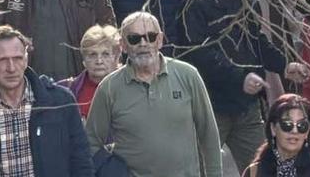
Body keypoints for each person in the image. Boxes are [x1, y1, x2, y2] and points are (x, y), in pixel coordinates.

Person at [178, 0, 306, 174]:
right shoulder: (199, 1)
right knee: (202, 171)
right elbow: (199, 55)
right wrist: (240, 77)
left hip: (247, 107)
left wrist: (285, 65)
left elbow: (257, 40)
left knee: (263, 169)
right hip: (211, 107)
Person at [83, 12, 222, 176]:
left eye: (150, 36)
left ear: (160, 40)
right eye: (134, 38)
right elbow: (91, 142)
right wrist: (111, 171)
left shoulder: (188, 75)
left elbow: (208, 134)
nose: (143, 43)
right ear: (123, 45)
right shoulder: (109, 88)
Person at [0, 27, 94, 177]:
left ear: (26, 59)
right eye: (2, 60)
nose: (11, 68)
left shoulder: (60, 102)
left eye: (17, 58)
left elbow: (81, 161)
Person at [246, 94, 310, 177]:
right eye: (287, 124)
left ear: (307, 132)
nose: (294, 131)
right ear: (273, 128)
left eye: (302, 125)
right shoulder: (253, 172)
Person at [56, 24, 120, 118]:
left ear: (115, 58)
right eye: (92, 54)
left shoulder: (129, 88)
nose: (99, 61)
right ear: (84, 61)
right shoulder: (65, 89)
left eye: (105, 54)